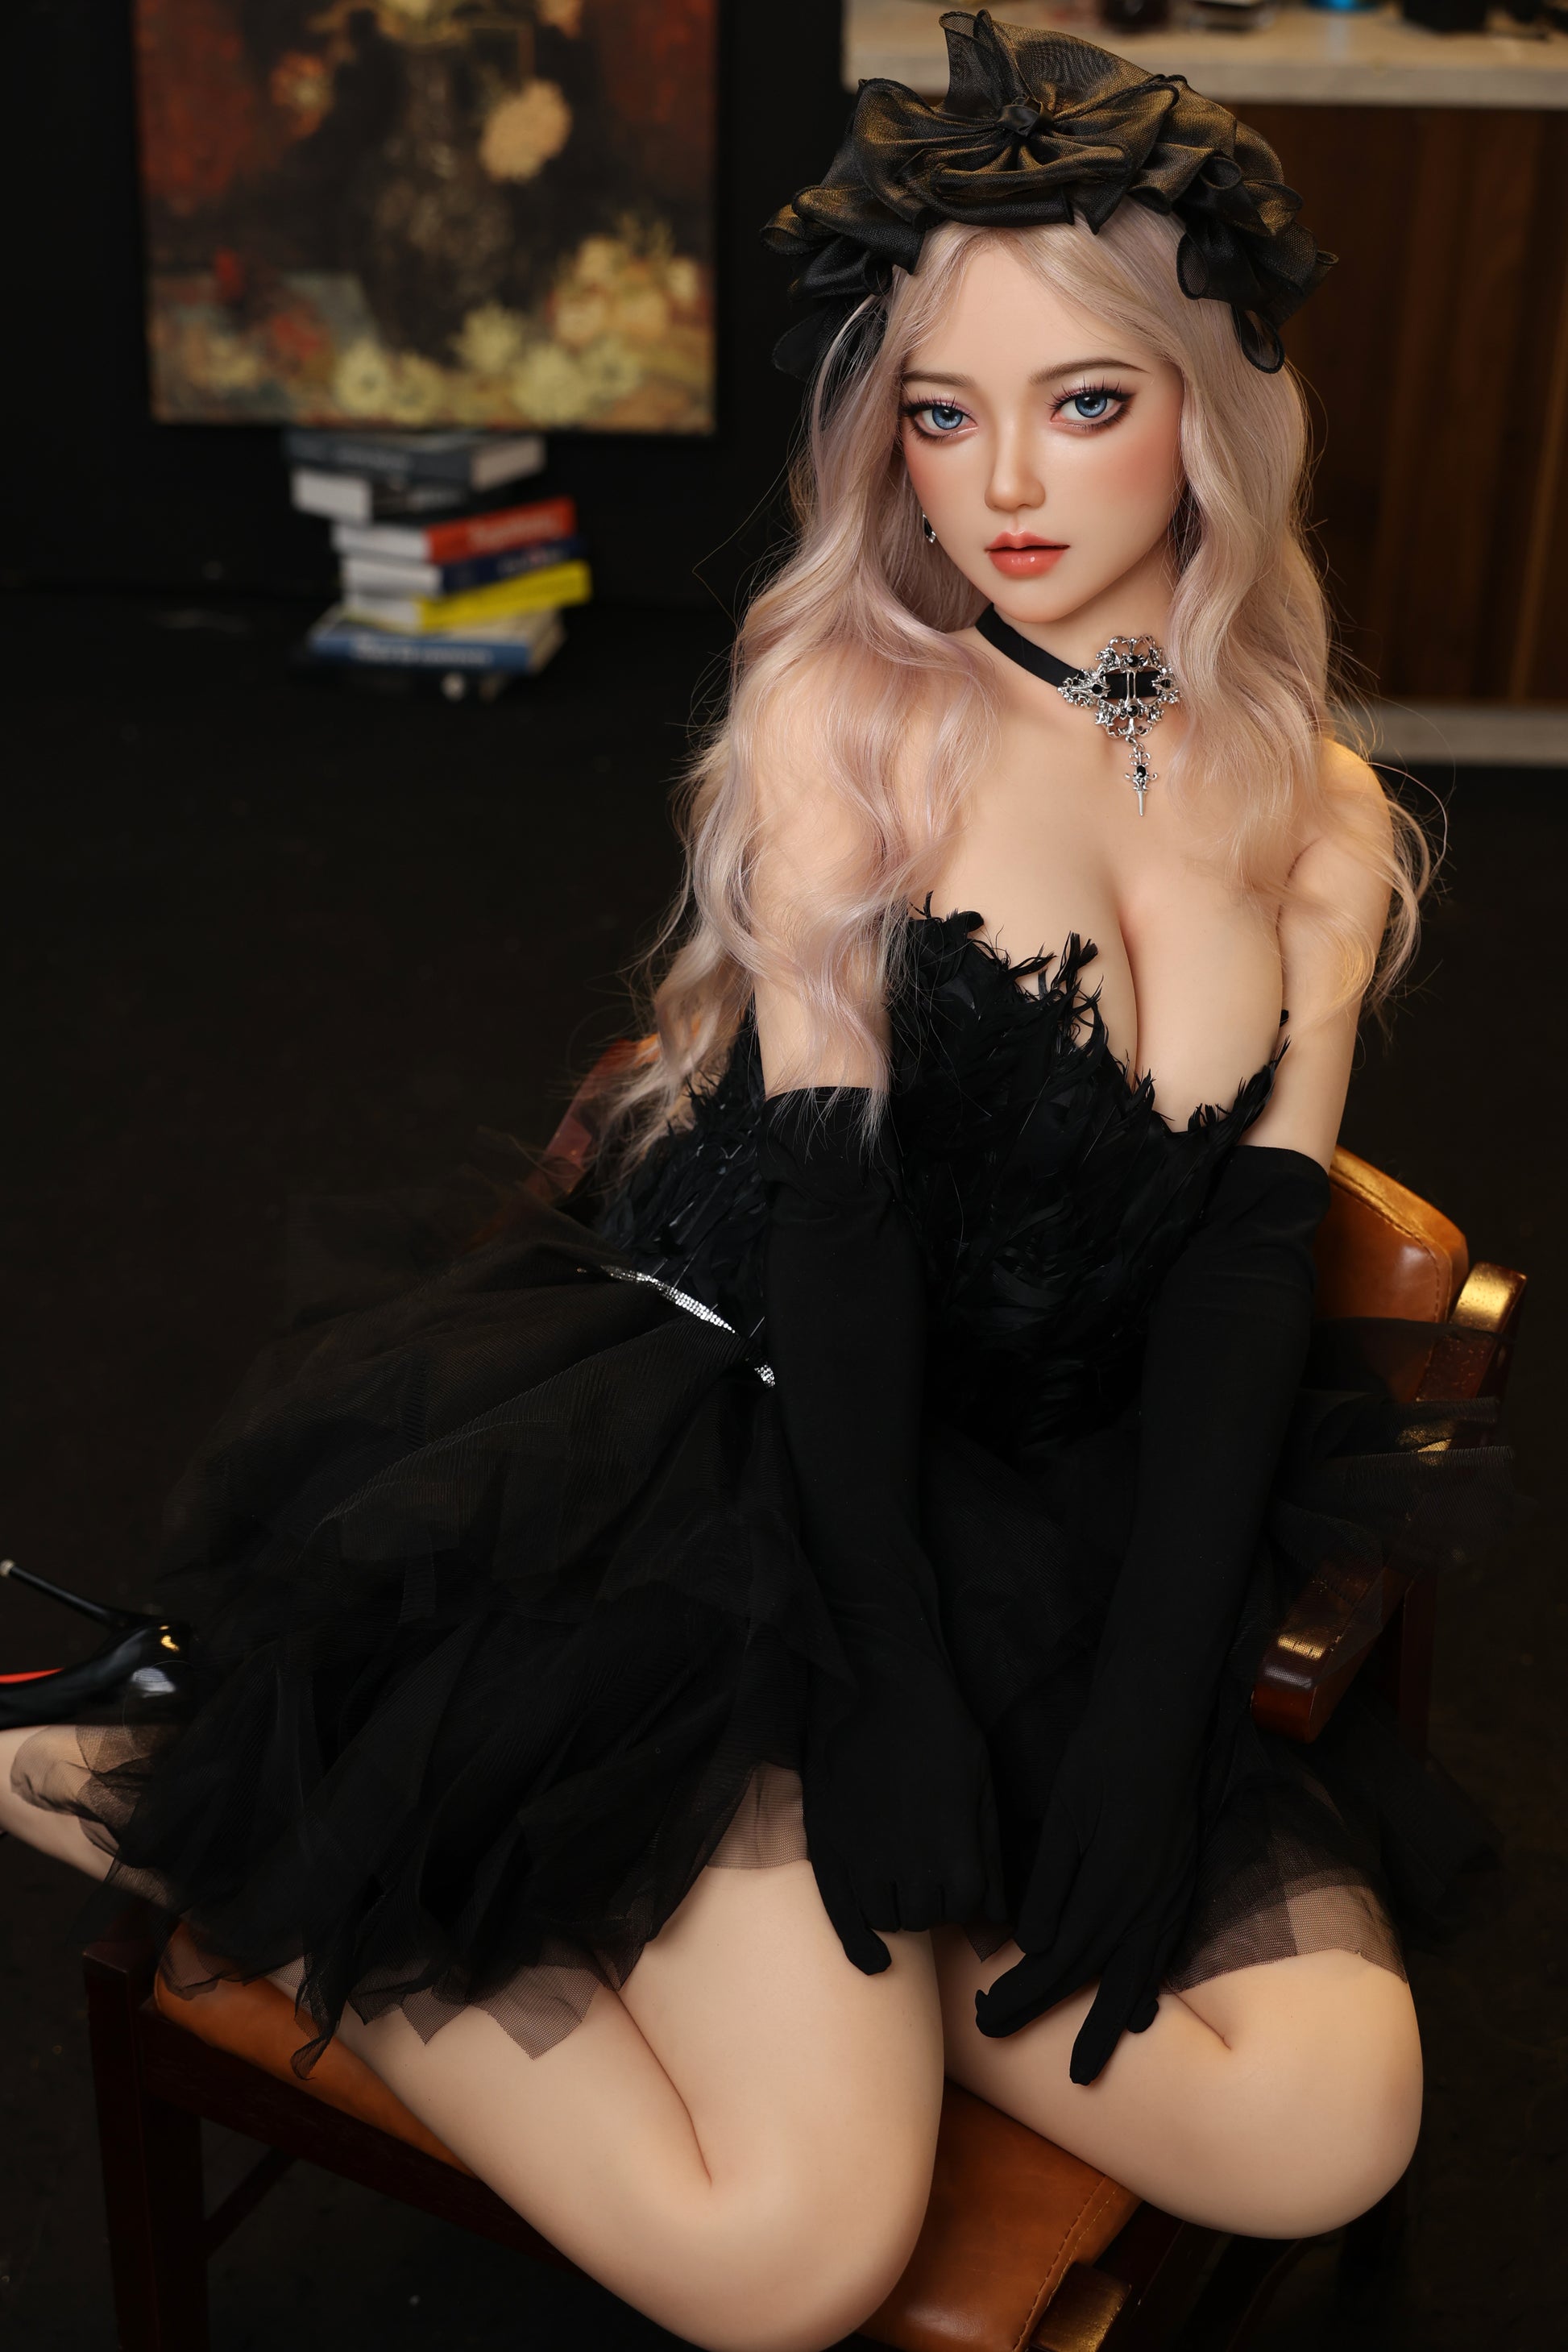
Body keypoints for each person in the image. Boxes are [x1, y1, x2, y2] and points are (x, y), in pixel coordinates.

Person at [0, 19, 1508, 2350]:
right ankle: (157, 1775)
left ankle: (825, 1951)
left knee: (1331, 2122)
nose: (1006, 483)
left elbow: (1238, 1278)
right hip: (746, 1467)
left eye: (1082, 401)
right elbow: (838, 1240)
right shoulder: (850, 713)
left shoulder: (1304, 798)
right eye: (942, 413)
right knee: (786, 2257)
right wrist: (888, 1687)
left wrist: (1135, 1730)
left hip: (1044, 1503)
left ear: (1212, 408)